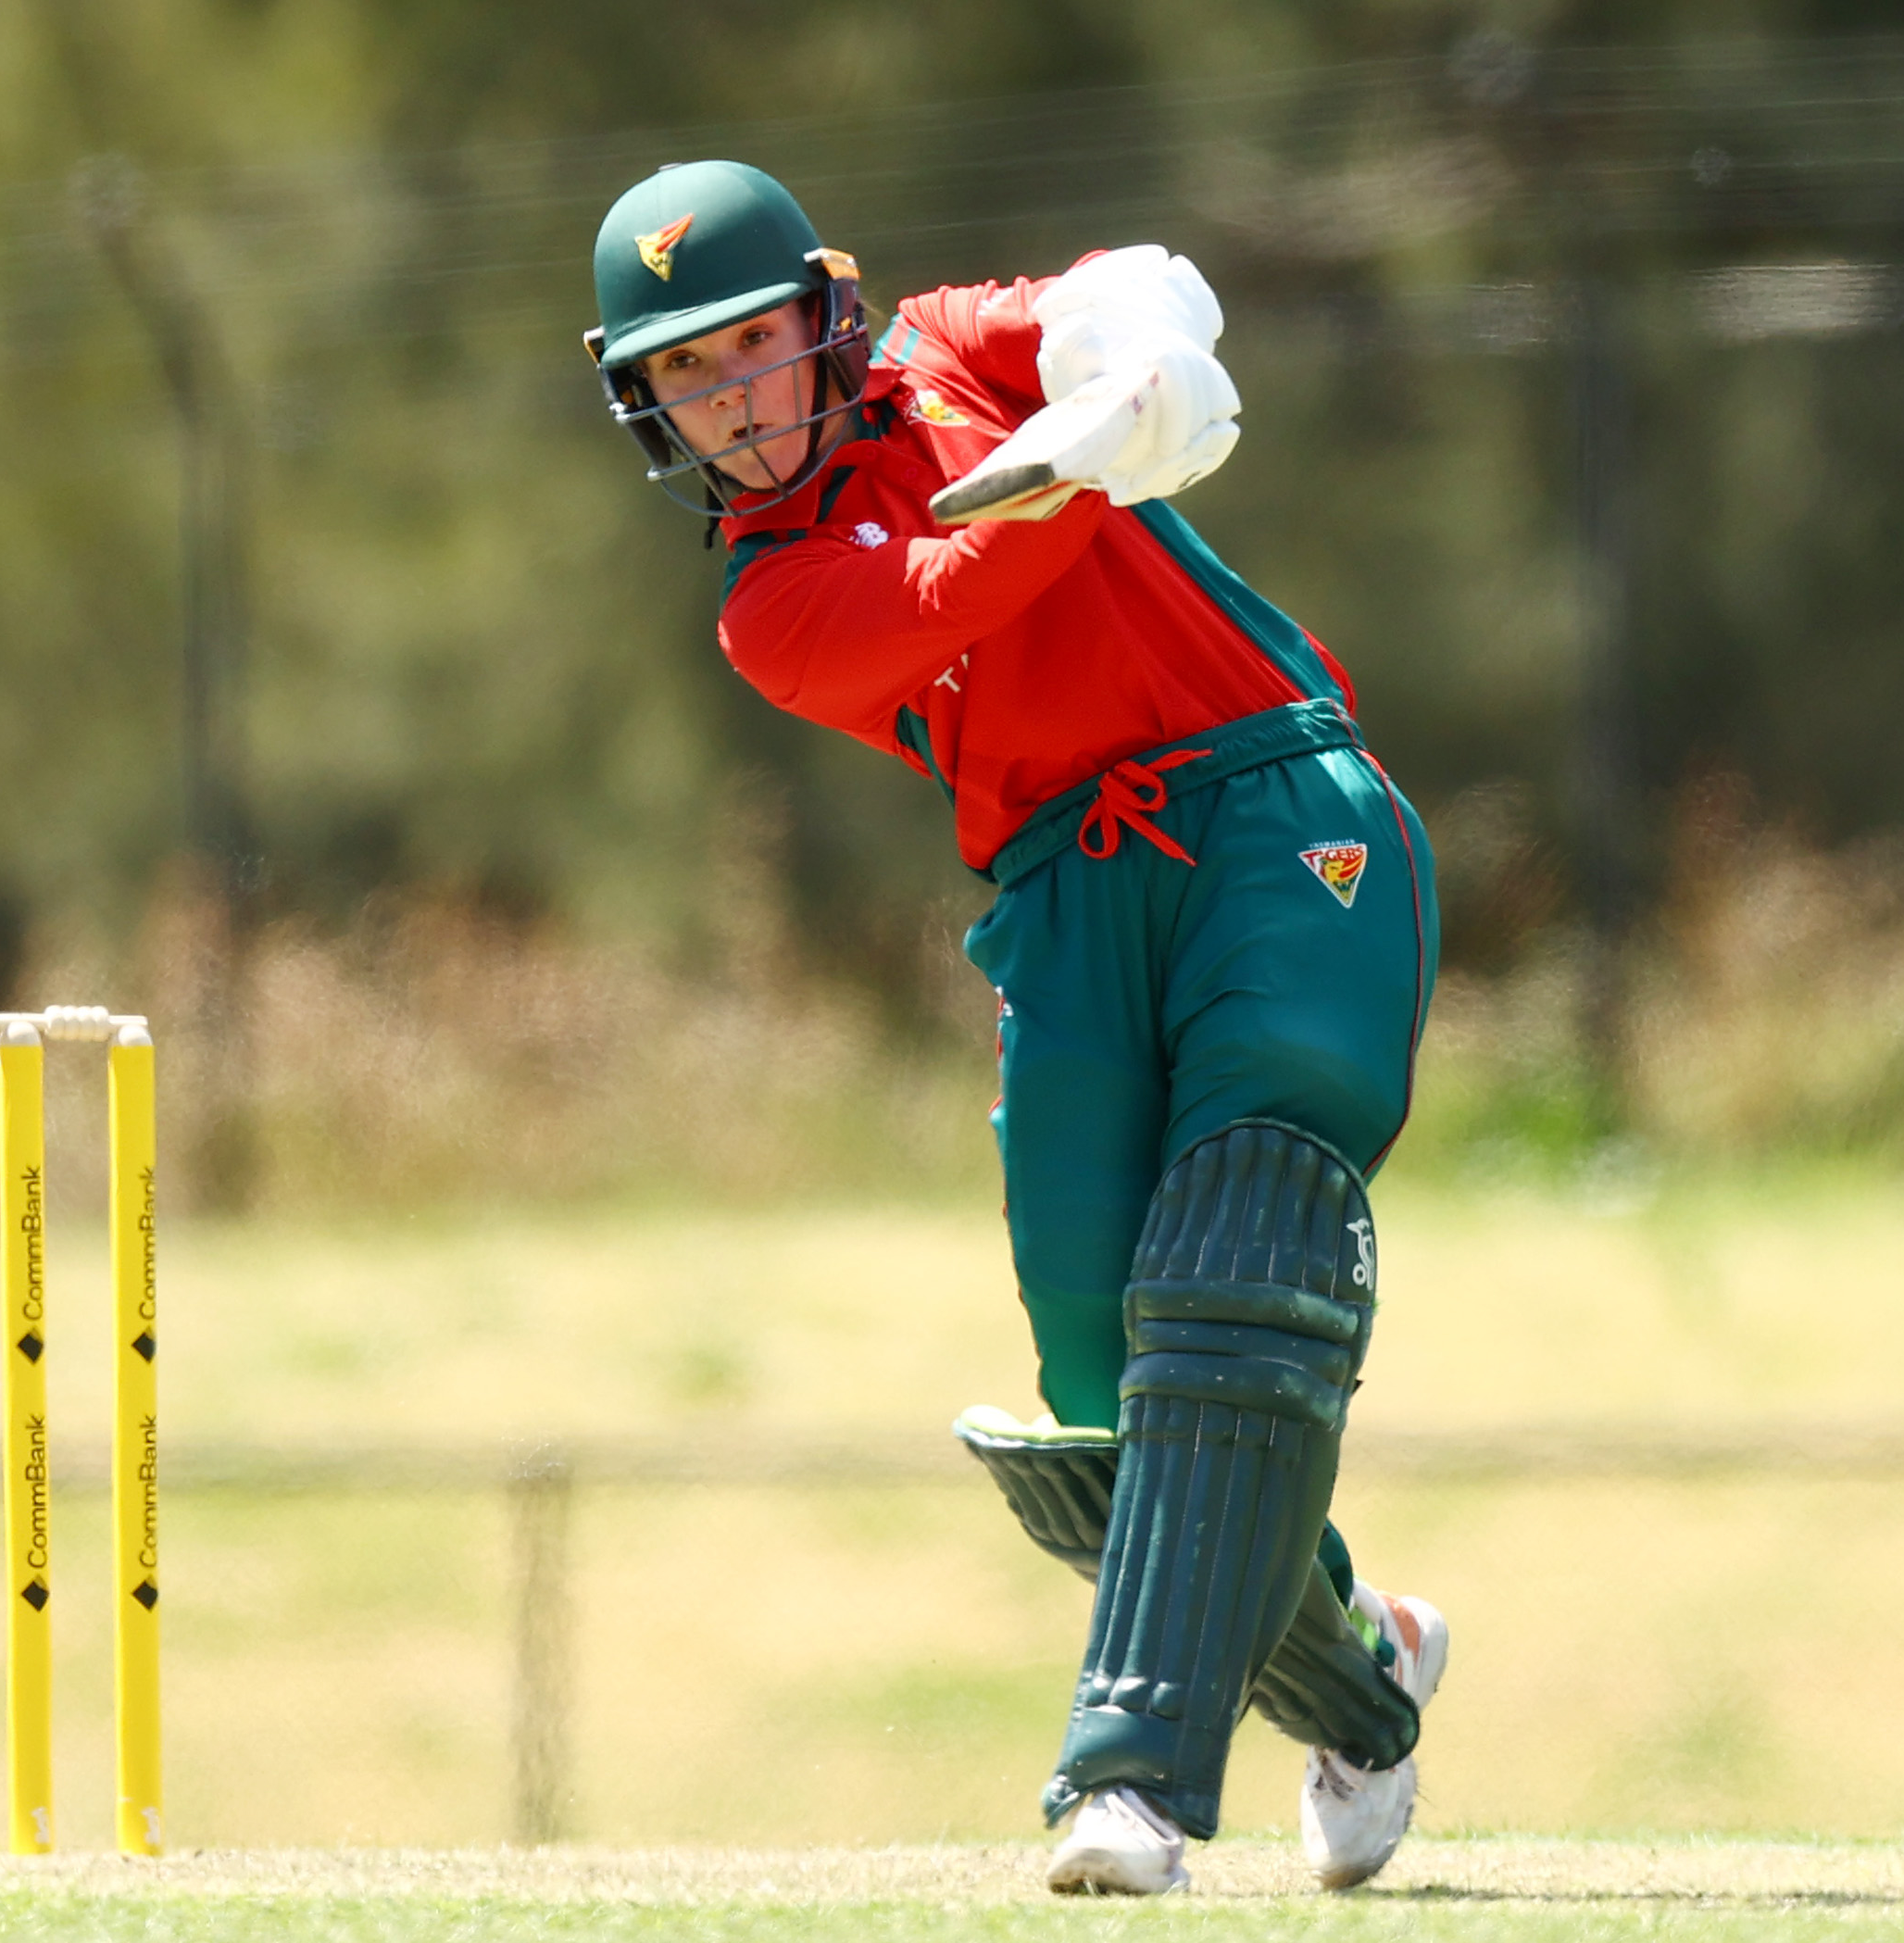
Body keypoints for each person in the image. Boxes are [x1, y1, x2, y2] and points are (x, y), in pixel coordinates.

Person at [584, 158, 1450, 1896]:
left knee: (1239, 1229)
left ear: (824, 321)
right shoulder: (770, 610)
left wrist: (1139, 372)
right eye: (681, 372)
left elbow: (1129, 282)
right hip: (1066, 893)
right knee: (1095, 1384)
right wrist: (1070, 469)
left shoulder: (943, 348)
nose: (728, 400)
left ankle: (1125, 1785)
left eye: (745, 344)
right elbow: (942, 600)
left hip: (1276, 805)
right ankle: (1368, 1676)